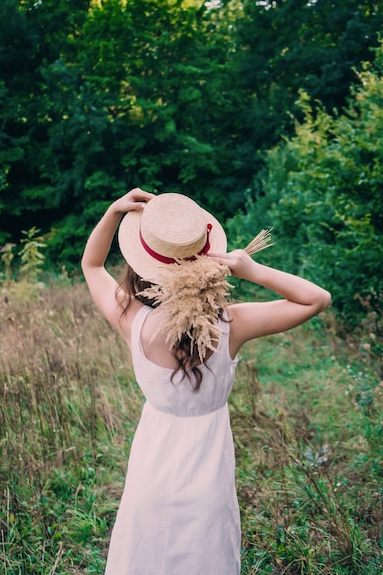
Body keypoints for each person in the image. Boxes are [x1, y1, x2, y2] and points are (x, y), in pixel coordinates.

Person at [81, 188, 331, 575]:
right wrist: (251, 270)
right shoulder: (234, 324)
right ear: (207, 260)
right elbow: (316, 299)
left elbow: (92, 266)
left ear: (142, 268)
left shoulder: (131, 318)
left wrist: (114, 211)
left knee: (145, 556)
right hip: (208, 480)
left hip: (152, 473)